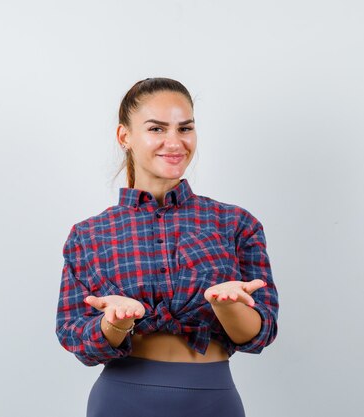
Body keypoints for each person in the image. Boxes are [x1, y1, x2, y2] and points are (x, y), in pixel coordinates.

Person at [55, 77, 279, 417]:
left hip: (213, 401)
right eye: (157, 129)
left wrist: (227, 305)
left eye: (184, 128)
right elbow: (75, 336)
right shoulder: (88, 235)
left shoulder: (236, 223)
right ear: (124, 137)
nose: (174, 142)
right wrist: (114, 323)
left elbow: (262, 332)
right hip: (121, 401)